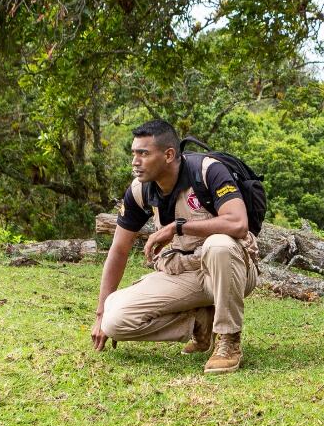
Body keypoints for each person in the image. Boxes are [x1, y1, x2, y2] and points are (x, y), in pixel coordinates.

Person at [93, 120, 258, 373]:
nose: (135, 161)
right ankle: (199, 322)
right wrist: (100, 315)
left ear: (169, 155)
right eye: (134, 153)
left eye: (144, 153)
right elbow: (119, 249)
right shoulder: (140, 190)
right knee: (114, 320)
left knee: (219, 245)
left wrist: (178, 227)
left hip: (231, 270)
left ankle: (229, 340)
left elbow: (238, 223)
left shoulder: (208, 172)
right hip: (183, 271)